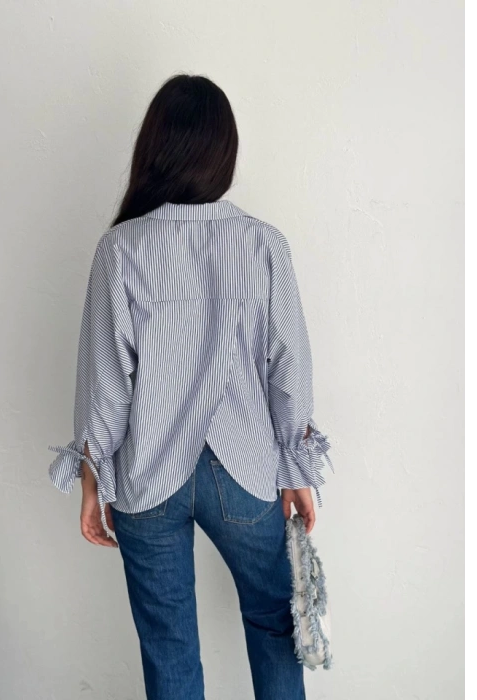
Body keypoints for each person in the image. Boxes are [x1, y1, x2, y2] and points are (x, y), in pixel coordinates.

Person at [49, 74, 332, 700]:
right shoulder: (262, 243)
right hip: (245, 468)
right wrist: (296, 468)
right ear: (223, 152)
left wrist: (94, 480)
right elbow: (289, 366)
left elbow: (106, 382)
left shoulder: (120, 249)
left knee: (169, 645)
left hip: (149, 471)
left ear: (154, 148)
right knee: (274, 625)